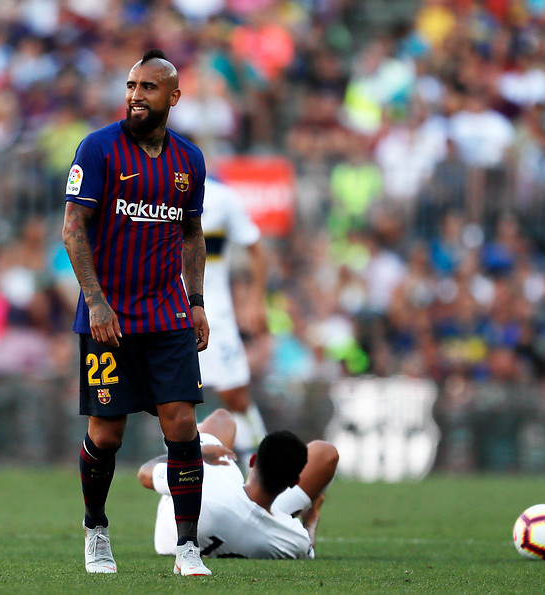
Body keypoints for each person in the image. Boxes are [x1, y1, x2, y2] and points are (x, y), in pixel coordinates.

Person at [61, 49, 211, 576]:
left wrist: (196, 302)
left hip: (168, 316)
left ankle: (188, 548)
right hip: (109, 318)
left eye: (148, 87)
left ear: (173, 96)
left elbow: (192, 235)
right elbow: (73, 229)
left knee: (182, 423)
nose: (135, 96)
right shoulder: (98, 148)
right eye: (131, 86)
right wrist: (95, 300)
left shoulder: (189, 160)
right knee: (107, 434)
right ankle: (96, 531)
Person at [138, 408, 339, 559]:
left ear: (252, 461)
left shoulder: (211, 477)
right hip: (265, 528)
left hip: (177, 531)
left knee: (223, 418)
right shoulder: (293, 537)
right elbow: (307, 546)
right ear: (295, 482)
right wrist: (310, 521)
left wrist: (194, 454)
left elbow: (144, 474)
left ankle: (194, 447)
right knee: (327, 452)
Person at [197, 178, 269, 468]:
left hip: (215, 313)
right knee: (173, 400)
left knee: (235, 394)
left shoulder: (221, 198)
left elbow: (257, 250)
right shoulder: (151, 193)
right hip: (169, 313)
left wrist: (255, 301)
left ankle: (263, 467)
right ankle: (186, 470)